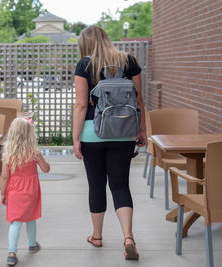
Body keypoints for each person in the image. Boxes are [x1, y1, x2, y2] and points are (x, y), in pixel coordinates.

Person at [73, 25, 147, 260]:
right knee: (120, 185)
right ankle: (128, 237)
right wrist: (141, 130)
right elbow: (139, 101)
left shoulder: (84, 65)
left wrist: (75, 137)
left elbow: (81, 105)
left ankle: (97, 236)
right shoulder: (129, 61)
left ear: (85, 43)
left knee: (96, 185)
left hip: (92, 134)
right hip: (124, 133)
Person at [0, 118, 50, 266]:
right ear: (30, 135)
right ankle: (32, 244)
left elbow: (4, 176)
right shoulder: (34, 153)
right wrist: (39, 155)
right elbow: (46, 169)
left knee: (15, 222)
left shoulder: (8, 154)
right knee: (31, 217)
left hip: (14, 191)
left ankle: (11, 253)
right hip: (31, 191)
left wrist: (3, 193)